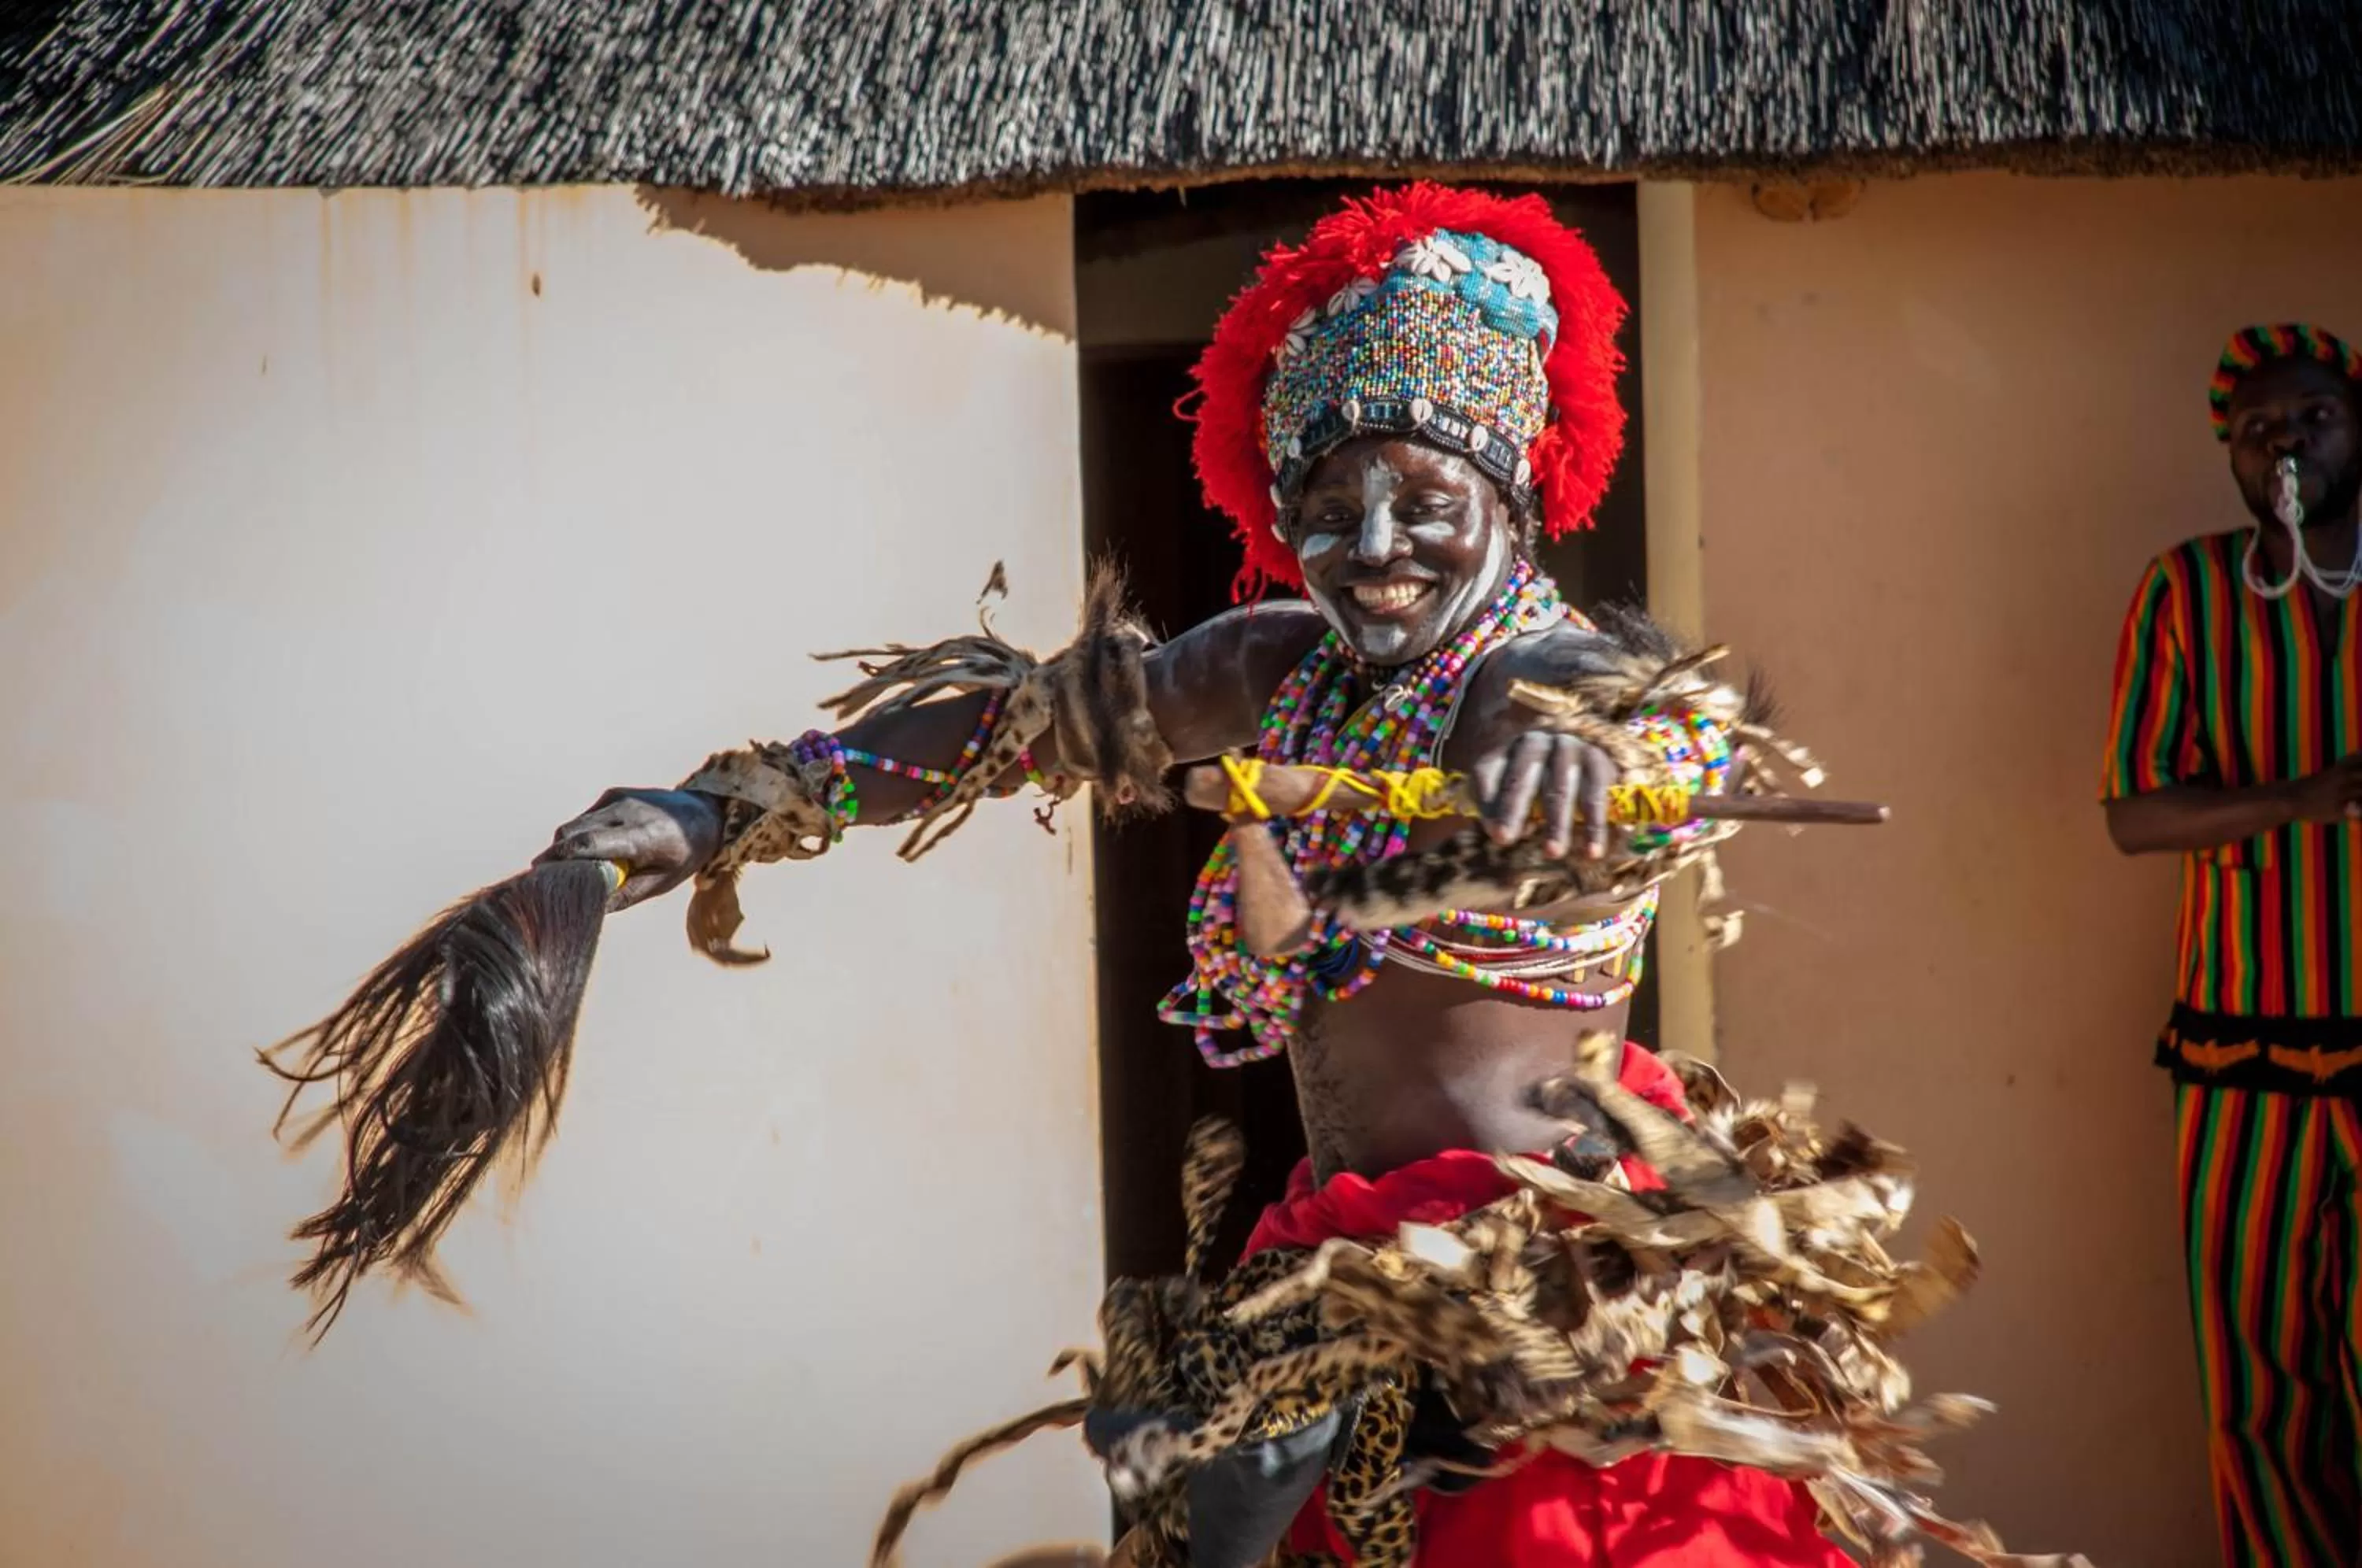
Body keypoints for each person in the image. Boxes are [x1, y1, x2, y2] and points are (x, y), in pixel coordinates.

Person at [542, 184, 1847, 1566]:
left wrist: (1608, 759)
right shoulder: (1277, 668)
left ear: (1510, 497)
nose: (1377, 547)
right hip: (1339, 1269)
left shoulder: (1539, 672)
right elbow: (1014, 729)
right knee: (1191, 1493)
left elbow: (1676, 726)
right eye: (1331, 507)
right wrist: (727, 810)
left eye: (1424, 498)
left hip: (1539, 1302)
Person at [2102, 322, 2362, 1568]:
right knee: (2257, 1387)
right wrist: (2298, 800)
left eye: (2311, 417)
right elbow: (2136, 813)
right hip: (2239, 1059)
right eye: (2259, 432)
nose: (2287, 445)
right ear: (2233, 460)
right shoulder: (2187, 591)